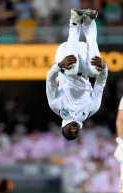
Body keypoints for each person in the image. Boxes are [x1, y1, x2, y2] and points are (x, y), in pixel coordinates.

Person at [46, 8, 108, 141]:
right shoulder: (91, 109)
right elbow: (100, 83)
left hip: (65, 56)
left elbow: (50, 81)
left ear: (63, 128)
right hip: (85, 61)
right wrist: (104, 68)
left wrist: (58, 65)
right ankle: (89, 23)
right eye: (75, 134)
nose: (73, 132)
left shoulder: (56, 107)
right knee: (94, 71)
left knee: (71, 69)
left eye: (69, 133)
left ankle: (74, 21)